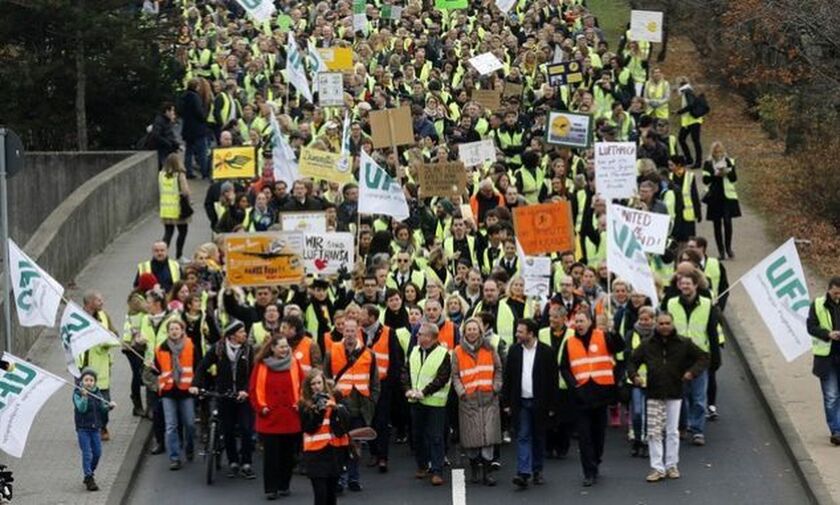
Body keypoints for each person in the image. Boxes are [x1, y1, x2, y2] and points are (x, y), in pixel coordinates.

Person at [627, 312, 709, 482]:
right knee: (654, 432)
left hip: (675, 392)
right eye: (661, 323)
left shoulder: (683, 343)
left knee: (672, 431)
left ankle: (672, 465)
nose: (664, 326)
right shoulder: (647, 344)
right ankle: (657, 468)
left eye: (667, 323)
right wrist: (634, 376)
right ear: (656, 325)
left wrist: (691, 373)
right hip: (654, 393)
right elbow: (632, 360)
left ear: (672, 324)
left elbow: (703, 357)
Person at [560, 310, 624, 487]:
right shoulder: (570, 342)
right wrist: (574, 385)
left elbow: (619, 347)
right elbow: (564, 367)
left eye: (582, 321)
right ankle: (589, 471)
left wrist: (614, 331)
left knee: (598, 434)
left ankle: (596, 458)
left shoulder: (603, 336)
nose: (579, 324)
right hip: (581, 395)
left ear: (590, 321)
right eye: (577, 321)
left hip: (601, 393)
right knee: (584, 436)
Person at [192, 320, 256, 479]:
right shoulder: (218, 349)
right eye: (241, 332)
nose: (245, 334)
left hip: (243, 396)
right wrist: (195, 384)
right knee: (227, 430)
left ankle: (246, 462)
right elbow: (202, 366)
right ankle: (233, 462)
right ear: (233, 335)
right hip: (224, 395)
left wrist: (246, 390)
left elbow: (254, 374)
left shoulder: (248, 350)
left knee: (246, 429)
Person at [666, 271, 721, 446]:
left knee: (698, 397)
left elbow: (712, 332)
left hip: (700, 357)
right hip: (677, 356)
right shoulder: (671, 303)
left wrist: (715, 358)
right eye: (682, 284)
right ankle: (683, 426)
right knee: (679, 395)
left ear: (696, 285)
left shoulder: (707, 304)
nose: (685, 287)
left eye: (688, 283)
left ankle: (697, 430)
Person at [324, 318, 379, 492]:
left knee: (355, 443)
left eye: (352, 331)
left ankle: (354, 478)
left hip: (361, 405)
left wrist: (372, 401)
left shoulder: (369, 354)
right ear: (342, 332)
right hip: (339, 405)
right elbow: (325, 379)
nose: (349, 334)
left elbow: (375, 382)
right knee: (338, 443)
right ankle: (340, 479)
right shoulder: (332, 351)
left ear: (358, 331)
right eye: (346, 331)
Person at [502, 318, 558, 489]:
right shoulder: (514, 351)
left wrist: (552, 406)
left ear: (531, 333)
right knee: (523, 435)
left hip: (540, 402)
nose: (517, 334)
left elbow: (552, 380)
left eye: (520, 331)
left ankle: (537, 470)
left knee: (539, 436)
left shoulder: (546, 352)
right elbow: (508, 377)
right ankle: (523, 472)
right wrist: (507, 402)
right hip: (521, 402)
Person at [249, 336, 306, 499]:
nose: (285, 349)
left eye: (286, 346)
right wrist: (261, 408)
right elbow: (253, 390)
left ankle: (284, 485)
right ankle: (271, 489)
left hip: (290, 416)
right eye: (281, 347)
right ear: (272, 348)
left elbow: (303, 386)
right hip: (270, 417)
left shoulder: (295, 363)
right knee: (271, 457)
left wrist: (300, 403)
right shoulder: (261, 365)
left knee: (288, 456)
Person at [452, 318, 502, 486]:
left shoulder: (490, 348)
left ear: (480, 331)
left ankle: (487, 473)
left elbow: (498, 369)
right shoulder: (457, 351)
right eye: (469, 329)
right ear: (464, 332)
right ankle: (474, 469)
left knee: (488, 438)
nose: (472, 332)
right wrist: (462, 392)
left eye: (475, 329)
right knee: (472, 439)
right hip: (469, 400)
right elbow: (455, 375)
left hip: (489, 399)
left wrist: (496, 387)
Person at [402, 322, 451, 486]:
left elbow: (442, 378)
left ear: (430, 337)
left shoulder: (443, 354)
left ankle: (437, 470)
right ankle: (422, 465)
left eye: (421, 334)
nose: (417, 335)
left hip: (435, 403)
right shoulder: (415, 351)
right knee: (417, 435)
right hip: (416, 401)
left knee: (436, 437)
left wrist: (424, 392)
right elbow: (406, 371)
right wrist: (407, 389)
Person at [299, 369, 351, 505]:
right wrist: (318, 412)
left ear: (324, 383)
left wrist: (336, 409)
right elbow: (308, 428)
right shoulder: (304, 404)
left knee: (331, 494)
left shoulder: (335, 399)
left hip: (334, 451)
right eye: (313, 384)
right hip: (315, 454)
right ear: (308, 387)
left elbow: (345, 425)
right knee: (320, 495)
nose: (316, 386)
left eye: (319, 383)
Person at [151, 319, 196, 470]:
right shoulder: (161, 348)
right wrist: (152, 367)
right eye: (171, 329)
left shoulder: (190, 346)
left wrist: (197, 386)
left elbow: (197, 365)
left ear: (182, 331)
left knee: (189, 424)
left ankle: (189, 447)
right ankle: (174, 457)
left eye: (177, 329)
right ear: (168, 332)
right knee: (171, 426)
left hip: (186, 390)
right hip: (168, 392)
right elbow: (157, 369)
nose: (174, 331)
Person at [74, 290, 119, 441]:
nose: (102, 302)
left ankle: (102, 425)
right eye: (98, 300)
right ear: (89, 303)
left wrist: (108, 341)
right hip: (82, 368)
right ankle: (84, 429)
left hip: (101, 368)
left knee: (104, 402)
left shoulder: (104, 316)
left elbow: (114, 335)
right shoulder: (76, 319)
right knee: (82, 401)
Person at [806, 277, 840, 446]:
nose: (838, 296)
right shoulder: (818, 305)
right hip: (826, 358)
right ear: (829, 290)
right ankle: (836, 430)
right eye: (835, 293)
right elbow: (811, 326)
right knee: (832, 395)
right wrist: (827, 334)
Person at [73, 368, 116, 492]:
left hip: (95, 428)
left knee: (97, 453)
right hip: (83, 429)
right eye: (86, 380)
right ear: (81, 381)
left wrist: (110, 407)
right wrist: (85, 397)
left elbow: (102, 408)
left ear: (95, 382)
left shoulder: (97, 393)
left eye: (91, 380)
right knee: (87, 454)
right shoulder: (77, 394)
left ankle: (89, 472)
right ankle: (89, 477)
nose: (89, 382)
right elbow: (81, 408)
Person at [702, 141, 741, 260]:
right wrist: (716, 175)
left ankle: (728, 248)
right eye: (716, 152)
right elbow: (705, 180)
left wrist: (726, 173)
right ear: (712, 152)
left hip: (727, 197)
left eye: (720, 151)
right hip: (714, 197)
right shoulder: (708, 163)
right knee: (717, 224)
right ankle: (721, 251)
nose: (718, 154)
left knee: (728, 223)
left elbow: (734, 178)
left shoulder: (729, 161)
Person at [159, 153, 191, 261]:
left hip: (166, 209)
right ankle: (179, 255)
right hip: (178, 209)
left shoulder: (161, 175)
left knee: (168, 233)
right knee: (182, 232)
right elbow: (185, 191)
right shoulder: (179, 175)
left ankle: (161, 255)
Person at [180, 78, 210, 179]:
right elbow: (199, 112)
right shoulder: (195, 97)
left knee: (189, 152)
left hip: (187, 129)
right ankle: (205, 172)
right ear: (196, 86)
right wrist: (204, 117)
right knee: (202, 152)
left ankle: (188, 171)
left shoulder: (184, 96)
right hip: (198, 129)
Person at [675, 76, 703, 168]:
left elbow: (690, 105)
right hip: (688, 121)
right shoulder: (687, 91)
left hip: (693, 120)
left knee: (695, 141)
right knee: (682, 138)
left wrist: (679, 112)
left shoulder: (687, 92)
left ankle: (698, 162)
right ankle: (690, 159)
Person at [150, 102, 179, 169]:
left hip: (166, 149)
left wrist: (176, 144)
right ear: (167, 111)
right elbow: (157, 136)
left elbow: (169, 135)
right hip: (162, 150)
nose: (173, 112)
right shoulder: (160, 121)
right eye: (172, 110)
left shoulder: (166, 121)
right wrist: (169, 144)